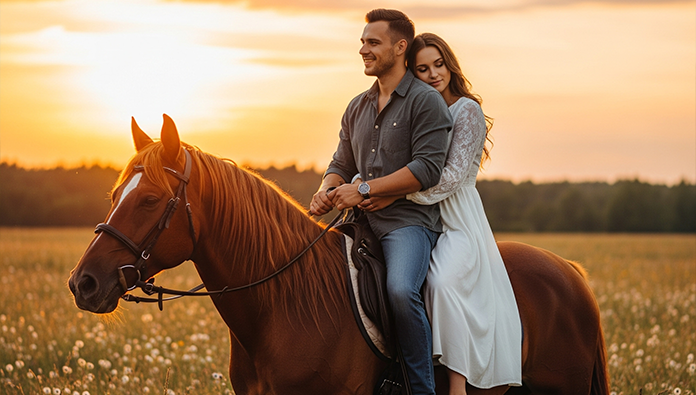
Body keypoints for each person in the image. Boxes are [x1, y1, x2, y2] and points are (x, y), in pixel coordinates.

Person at [364, 33, 523, 394]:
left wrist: (392, 195)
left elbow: (449, 179)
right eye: (422, 69)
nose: (434, 74)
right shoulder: (416, 111)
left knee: (442, 283)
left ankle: (457, 384)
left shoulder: (466, 110)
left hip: (456, 214)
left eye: (438, 64)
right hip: (419, 214)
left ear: (449, 64)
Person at [309, 9, 452, 395]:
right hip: (356, 219)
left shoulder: (425, 101)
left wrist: (366, 190)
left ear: (400, 47)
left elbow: (427, 168)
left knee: (400, 291)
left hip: (408, 222)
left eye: (373, 42)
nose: (363, 50)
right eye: (362, 42)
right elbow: (341, 163)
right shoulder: (357, 105)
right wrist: (327, 189)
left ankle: (420, 388)